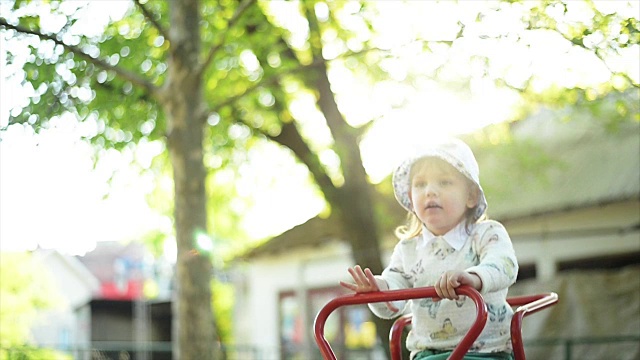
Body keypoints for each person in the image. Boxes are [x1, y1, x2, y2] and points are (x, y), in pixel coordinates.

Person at [340, 138, 519, 360]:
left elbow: (504, 266)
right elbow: (394, 300)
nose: (430, 192)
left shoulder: (486, 234)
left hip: (485, 352)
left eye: (444, 182)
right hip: (427, 353)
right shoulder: (408, 249)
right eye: (420, 184)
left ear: (471, 196)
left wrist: (473, 278)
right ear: (411, 197)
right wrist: (379, 289)